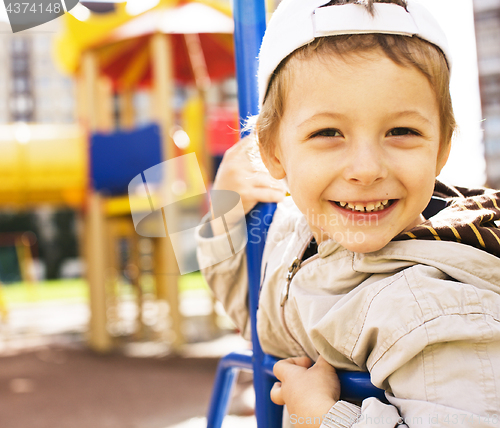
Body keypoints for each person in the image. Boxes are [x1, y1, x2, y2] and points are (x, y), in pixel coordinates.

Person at [196, 0, 500, 426]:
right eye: (328, 133)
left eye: (401, 131)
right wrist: (225, 204)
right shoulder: (299, 234)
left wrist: (324, 416)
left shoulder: (434, 310)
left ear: (441, 149)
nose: (366, 169)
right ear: (272, 155)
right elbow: (250, 302)